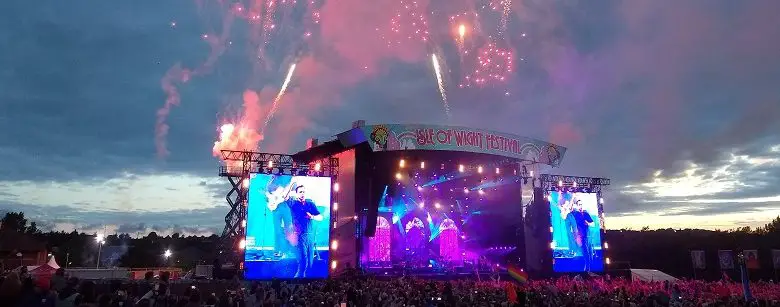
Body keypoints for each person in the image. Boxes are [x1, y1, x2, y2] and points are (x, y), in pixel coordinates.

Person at [282, 183, 323, 278]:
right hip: (299, 235)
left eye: (304, 192)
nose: (302, 193)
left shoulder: (310, 204)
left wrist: (312, 216)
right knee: (303, 260)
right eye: (300, 192)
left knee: (310, 261)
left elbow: (320, 217)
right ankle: (298, 280)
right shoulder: (293, 203)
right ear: (296, 194)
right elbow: (285, 196)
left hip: (310, 236)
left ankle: (307, 281)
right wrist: (292, 185)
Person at [565, 199, 594, 271]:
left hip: (585, 236)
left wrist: (588, 223)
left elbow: (593, 224)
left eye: (581, 204)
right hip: (578, 236)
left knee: (586, 251)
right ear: (576, 205)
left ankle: (587, 269)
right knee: (581, 251)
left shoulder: (585, 213)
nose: (580, 206)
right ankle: (584, 269)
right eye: (579, 204)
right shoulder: (573, 214)